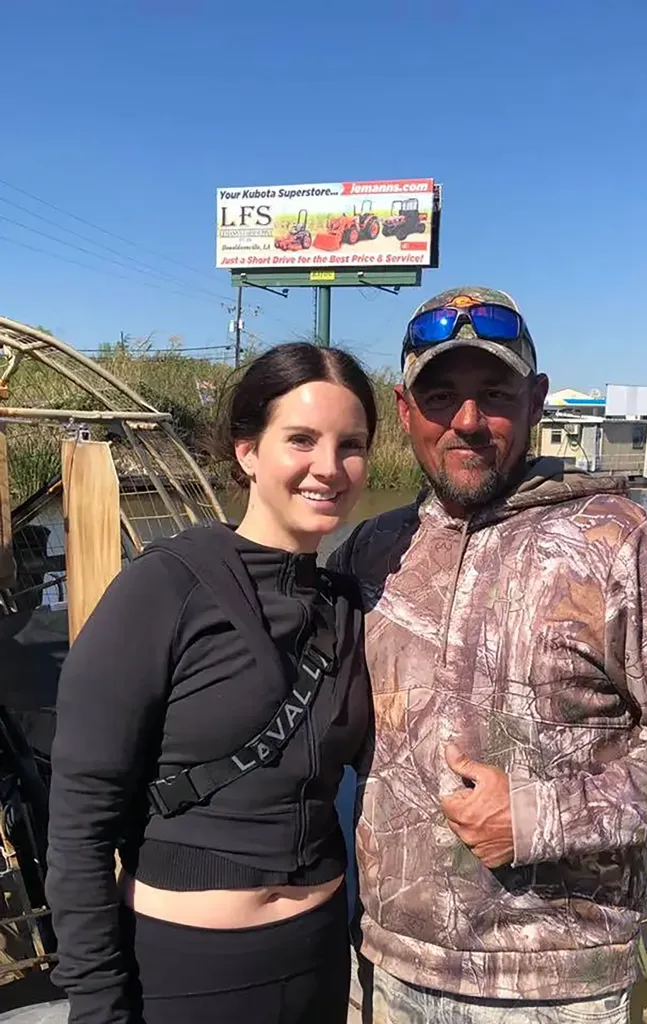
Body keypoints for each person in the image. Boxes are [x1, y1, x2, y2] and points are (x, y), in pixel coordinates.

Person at [330, 288, 647, 1024]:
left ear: (536, 400)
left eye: (493, 394)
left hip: (556, 987)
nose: (467, 422)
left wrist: (541, 817)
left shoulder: (620, 541)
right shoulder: (373, 550)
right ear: (404, 411)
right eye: (441, 397)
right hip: (385, 970)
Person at [46, 342, 377, 1024]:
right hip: (190, 970)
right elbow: (80, 824)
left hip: (319, 959)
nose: (329, 467)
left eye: (351, 445)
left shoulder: (348, 604)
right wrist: (99, 1006)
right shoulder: (162, 588)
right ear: (247, 451)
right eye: (301, 440)